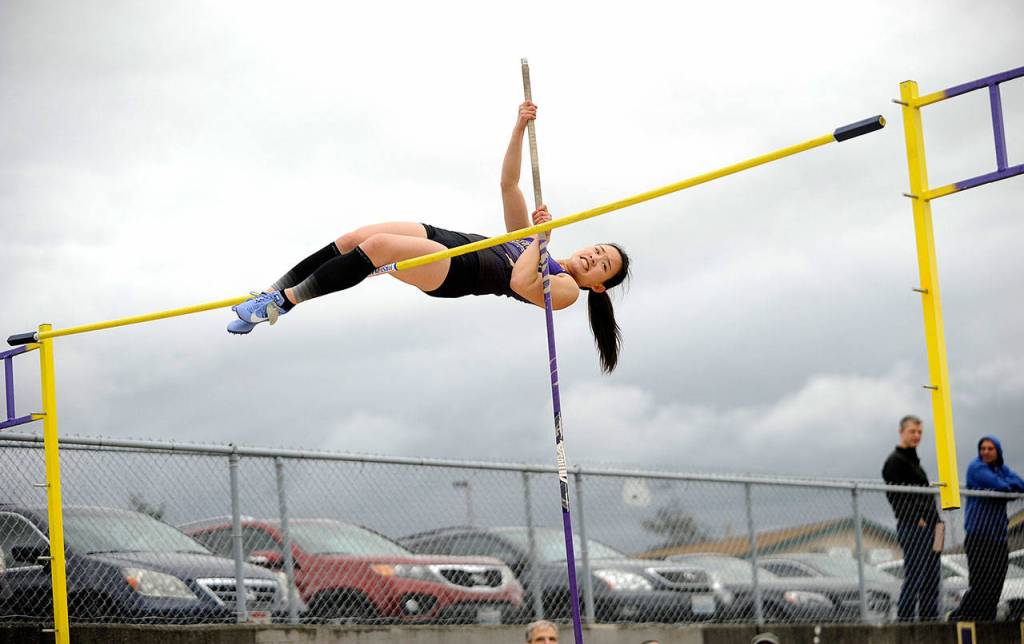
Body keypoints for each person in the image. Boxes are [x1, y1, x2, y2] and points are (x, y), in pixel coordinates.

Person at [228, 101, 631, 373]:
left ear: (598, 284)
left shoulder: (567, 290)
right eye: (597, 251)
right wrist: (519, 127)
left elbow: (519, 282)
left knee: (379, 249)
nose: (594, 259)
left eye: (602, 265)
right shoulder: (534, 241)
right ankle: (270, 292)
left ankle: (283, 302)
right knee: (355, 238)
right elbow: (509, 185)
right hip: (452, 239)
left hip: (457, 271)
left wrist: (541, 240)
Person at [949, 435, 1024, 621]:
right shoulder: (976, 468)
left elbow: (1020, 485)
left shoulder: (1001, 469)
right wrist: (1007, 489)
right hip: (979, 535)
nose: (986, 452)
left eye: (990, 448)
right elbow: (1001, 487)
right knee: (981, 583)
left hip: (998, 536)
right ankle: (959, 617)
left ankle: (987, 619)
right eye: (983, 448)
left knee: (996, 582)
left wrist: (1007, 488)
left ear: (997, 451)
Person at [882, 414, 943, 621]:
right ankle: (905, 621)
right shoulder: (894, 461)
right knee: (915, 576)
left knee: (932, 579)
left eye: (919, 432)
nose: (916, 435)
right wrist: (917, 520)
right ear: (902, 432)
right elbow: (896, 496)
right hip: (914, 527)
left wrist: (937, 525)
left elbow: (926, 498)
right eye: (912, 431)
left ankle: (930, 621)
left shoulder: (915, 463)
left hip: (933, 528)